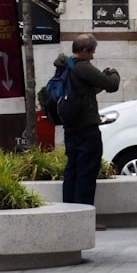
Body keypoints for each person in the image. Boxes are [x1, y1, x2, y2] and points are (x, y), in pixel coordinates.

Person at [55, 33, 120, 221]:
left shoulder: (64, 65)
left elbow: (84, 91)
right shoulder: (83, 67)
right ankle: (84, 218)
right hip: (86, 128)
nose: (93, 56)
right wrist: (113, 72)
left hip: (70, 127)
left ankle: (69, 214)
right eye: (92, 52)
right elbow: (111, 85)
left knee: (72, 171)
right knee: (87, 173)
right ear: (83, 51)